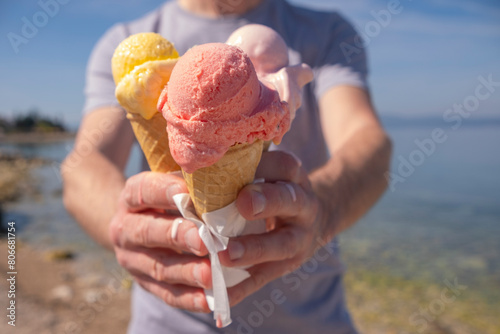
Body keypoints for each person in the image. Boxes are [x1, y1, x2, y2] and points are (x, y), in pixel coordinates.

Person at [62, 0, 392, 332]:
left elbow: (367, 140)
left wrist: (322, 209)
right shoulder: (127, 43)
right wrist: (124, 226)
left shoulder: (327, 33)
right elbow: (85, 163)